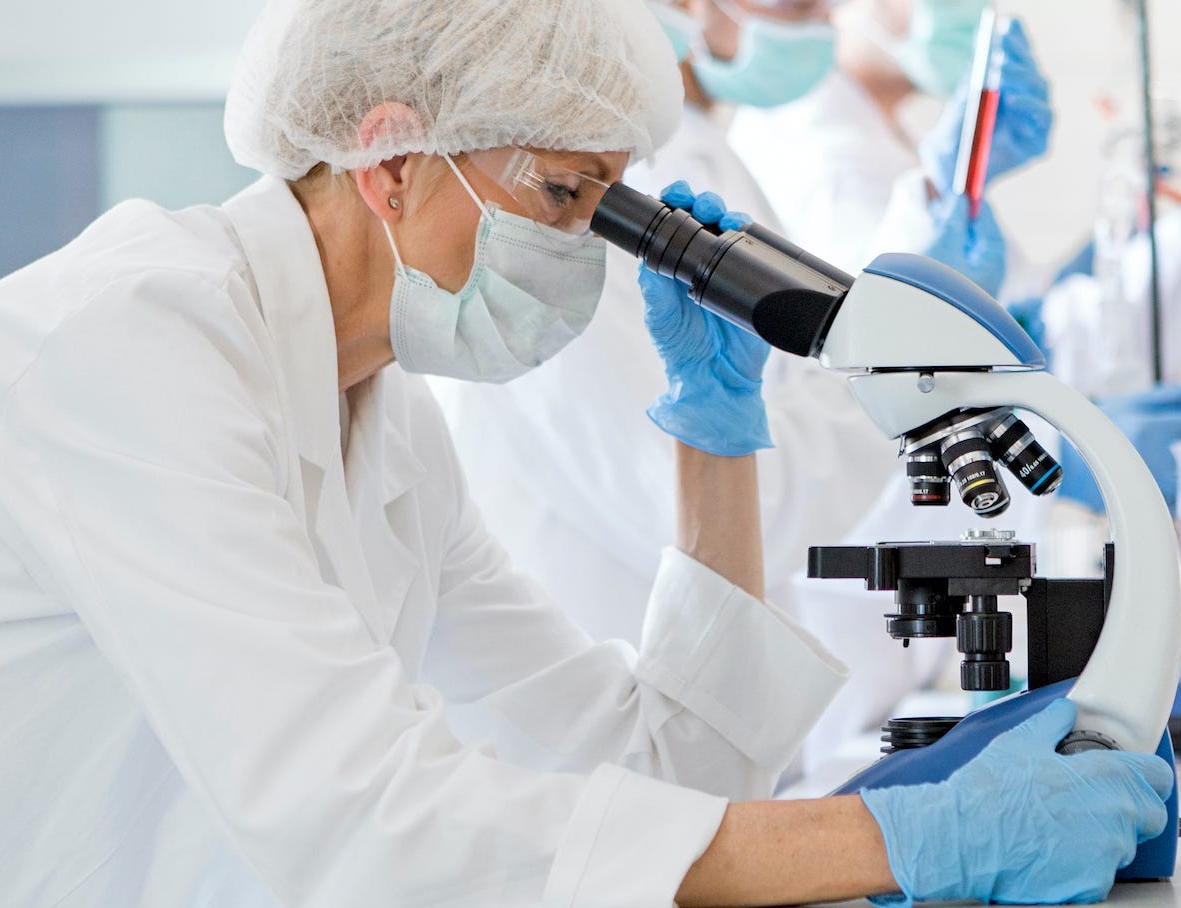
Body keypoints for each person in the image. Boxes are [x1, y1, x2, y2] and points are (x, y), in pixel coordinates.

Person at [0, 1, 1173, 908]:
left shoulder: (384, 433)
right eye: (566, 199)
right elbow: (367, 822)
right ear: (391, 162)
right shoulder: (130, 352)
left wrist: (717, 433)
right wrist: (900, 842)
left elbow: (660, 774)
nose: (582, 254)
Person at [429, 0, 1042, 785]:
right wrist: (901, 357)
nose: (824, 10)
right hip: (600, 781)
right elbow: (718, 504)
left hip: (709, 752)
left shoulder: (701, 158)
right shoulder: (561, 204)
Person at [730, 0, 1181, 518]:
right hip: (893, 572)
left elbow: (1017, 322)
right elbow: (894, 394)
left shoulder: (885, 136)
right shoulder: (824, 156)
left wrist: (1122, 238)